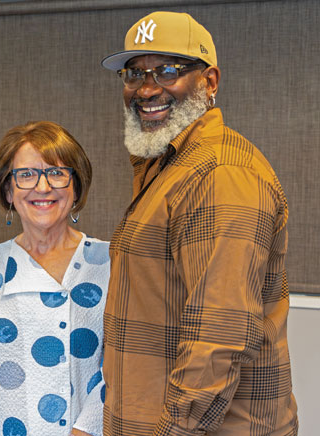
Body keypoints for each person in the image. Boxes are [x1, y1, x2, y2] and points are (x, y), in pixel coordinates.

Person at [100, 11, 298, 435]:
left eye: (167, 70)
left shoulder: (219, 175)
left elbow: (219, 338)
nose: (146, 88)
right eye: (133, 73)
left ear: (209, 82)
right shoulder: (170, 168)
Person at [0, 121, 108, 436]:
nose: (43, 187)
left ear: (76, 186)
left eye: (57, 173)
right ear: (8, 190)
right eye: (26, 175)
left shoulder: (111, 264)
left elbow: (121, 369)